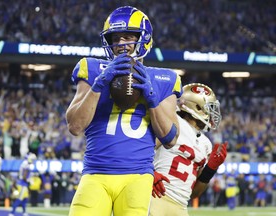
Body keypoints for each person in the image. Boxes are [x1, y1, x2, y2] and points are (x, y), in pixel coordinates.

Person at [66, 5, 182, 216]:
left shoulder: (164, 79)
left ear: (144, 38)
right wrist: (98, 85)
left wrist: (152, 99)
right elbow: (75, 126)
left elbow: (170, 138)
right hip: (95, 173)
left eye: (128, 37)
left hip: (137, 177)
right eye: (115, 39)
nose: (120, 44)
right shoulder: (93, 69)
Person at [149, 83, 227, 216]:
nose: (212, 113)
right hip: (155, 199)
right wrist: (149, 171)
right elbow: (144, 151)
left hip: (181, 207)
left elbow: (195, 193)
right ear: (197, 107)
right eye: (210, 107)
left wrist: (210, 169)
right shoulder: (173, 122)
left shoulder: (205, 143)